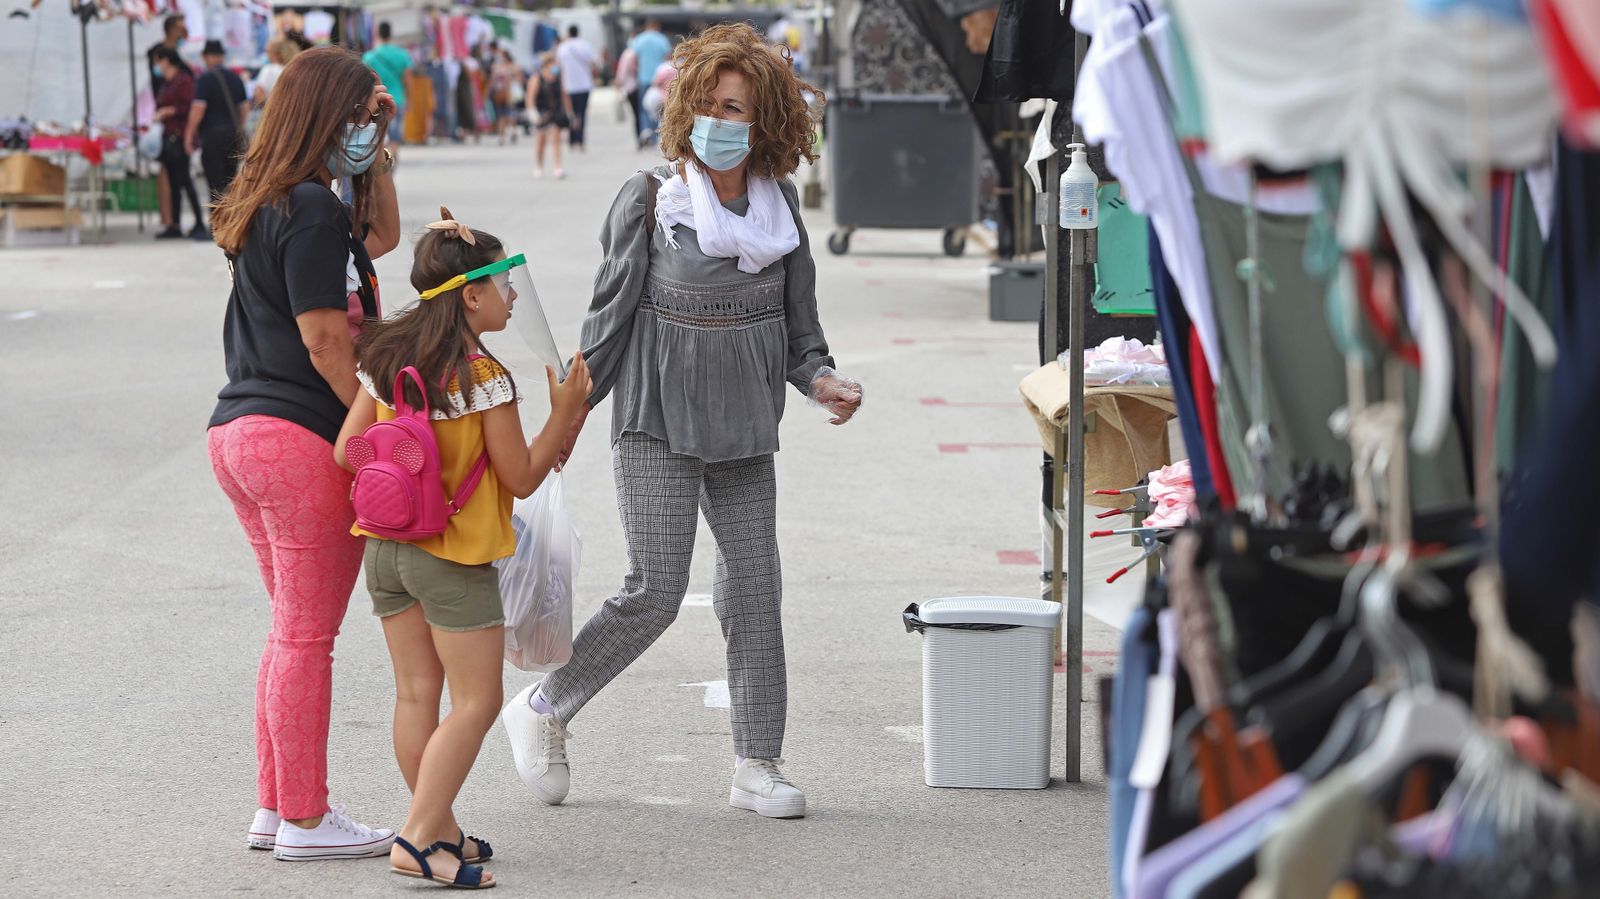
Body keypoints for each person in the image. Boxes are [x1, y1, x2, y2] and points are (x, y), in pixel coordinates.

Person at [502, 22, 864, 820]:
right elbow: (606, 324)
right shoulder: (651, 198)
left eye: (737, 108)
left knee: (755, 590)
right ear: (685, 109)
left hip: (743, 426)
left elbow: (801, 334)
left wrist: (825, 381)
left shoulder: (782, 210)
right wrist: (563, 423)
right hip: (654, 418)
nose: (721, 122)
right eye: (709, 104)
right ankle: (544, 706)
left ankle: (756, 762)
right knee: (655, 589)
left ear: (765, 121)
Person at [334, 211, 593, 891]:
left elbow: (345, 451)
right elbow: (522, 476)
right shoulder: (482, 374)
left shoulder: (386, 353)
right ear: (470, 295)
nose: (513, 296)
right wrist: (564, 410)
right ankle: (418, 837)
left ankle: (439, 826)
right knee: (477, 701)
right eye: (505, 284)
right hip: (451, 558)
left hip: (385, 548)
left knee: (416, 692)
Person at [206, 45, 402, 862]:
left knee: (289, 631)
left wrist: (378, 156)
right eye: (359, 117)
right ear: (325, 116)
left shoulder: (277, 200)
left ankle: (275, 805)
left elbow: (382, 236)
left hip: (240, 436)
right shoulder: (312, 210)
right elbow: (327, 340)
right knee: (306, 636)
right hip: (296, 437)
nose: (366, 130)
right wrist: (373, 419)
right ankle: (308, 819)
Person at [188, 39, 248, 209]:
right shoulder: (235, 78)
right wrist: (238, 125)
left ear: (206, 57)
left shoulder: (205, 78)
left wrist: (190, 133)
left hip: (212, 135)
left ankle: (217, 221)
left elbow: (199, 108)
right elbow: (244, 107)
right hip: (232, 134)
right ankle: (231, 221)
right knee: (230, 181)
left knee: (214, 183)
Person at [151, 48, 204, 240]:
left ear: (166, 60)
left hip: (180, 135)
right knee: (173, 182)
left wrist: (169, 111)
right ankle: (175, 223)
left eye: (158, 61)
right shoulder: (166, 83)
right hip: (168, 135)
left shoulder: (183, 81)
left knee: (185, 180)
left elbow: (188, 106)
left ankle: (199, 221)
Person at [146, 15, 188, 233]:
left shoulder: (182, 65)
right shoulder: (163, 57)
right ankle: (168, 219)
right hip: (169, 128)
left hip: (177, 128)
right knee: (169, 174)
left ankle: (174, 221)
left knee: (180, 178)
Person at [363, 21, 412, 145]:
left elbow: (364, 82)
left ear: (377, 34)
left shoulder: (369, 57)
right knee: (395, 136)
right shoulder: (402, 55)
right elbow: (407, 81)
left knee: (380, 134)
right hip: (397, 99)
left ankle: (383, 159)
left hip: (377, 101)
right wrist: (409, 100)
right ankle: (393, 158)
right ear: (391, 34)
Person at [525, 53, 570, 179]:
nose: (556, 66)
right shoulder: (537, 77)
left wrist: (568, 111)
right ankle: (539, 166)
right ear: (546, 64)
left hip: (555, 111)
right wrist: (532, 112)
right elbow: (530, 96)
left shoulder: (557, 77)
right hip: (541, 112)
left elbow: (564, 95)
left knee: (556, 139)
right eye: (553, 63)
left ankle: (557, 167)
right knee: (541, 140)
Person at [554, 25, 598, 150]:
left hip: (569, 85)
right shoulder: (585, 45)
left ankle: (572, 139)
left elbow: (558, 67)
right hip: (584, 85)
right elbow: (594, 63)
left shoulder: (562, 47)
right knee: (582, 113)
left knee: (571, 113)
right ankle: (580, 139)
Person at [629, 18, 672, 142]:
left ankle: (646, 130)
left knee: (644, 107)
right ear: (656, 26)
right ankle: (656, 134)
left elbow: (633, 59)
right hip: (660, 79)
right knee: (659, 108)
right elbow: (668, 57)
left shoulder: (639, 39)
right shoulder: (662, 39)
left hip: (643, 78)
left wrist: (638, 70)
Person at [248, 38, 299, 136]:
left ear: (274, 53)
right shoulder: (291, 70)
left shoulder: (269, 70)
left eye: (266, 51)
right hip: (290, 120)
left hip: (272, 118)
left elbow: (259, 96)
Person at [490, 49, 523, 146]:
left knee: (510, 115)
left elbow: (519, 79)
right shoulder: (496, 67)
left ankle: (513, 131)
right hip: (500, 94)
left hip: (511, 94)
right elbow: (492, 81)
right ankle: (501, 136)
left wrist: (511, 81)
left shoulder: (514, 67)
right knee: (501, 116)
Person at [614, 39, 643, 148]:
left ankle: (639, 138)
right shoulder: (634, 54)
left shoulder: (626, 54)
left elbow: (621, 72)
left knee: (636, 114)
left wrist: (619, 83)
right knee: (641, 114)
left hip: (630, 87)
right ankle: (643, 137)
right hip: (637, 85)